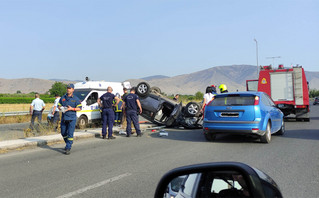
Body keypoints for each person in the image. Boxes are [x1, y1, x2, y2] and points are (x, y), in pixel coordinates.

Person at [58, 84, 82, 155]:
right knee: (63, 133)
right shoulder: (63, 97)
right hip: (64, 118)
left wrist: (72, 108)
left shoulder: (76, 99)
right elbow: (59, 105)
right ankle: (68, 143)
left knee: (70, 134)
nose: (68, 89)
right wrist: (60, 108)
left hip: (72, 118)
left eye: (70, 88)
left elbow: (80, 108)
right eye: (67, 88)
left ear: (73, 90)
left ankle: (68, 147)